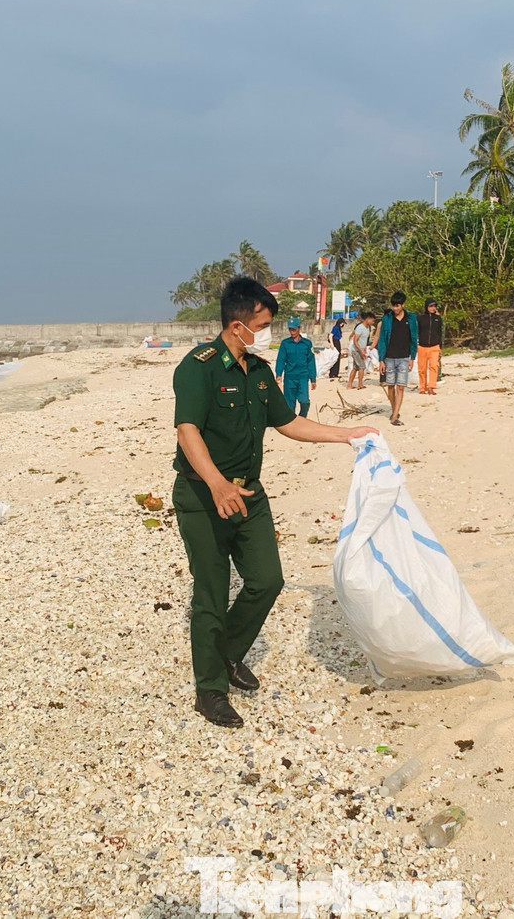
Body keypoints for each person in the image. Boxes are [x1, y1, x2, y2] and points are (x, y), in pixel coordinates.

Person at [173, 277, 378, 728]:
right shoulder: (198, 367)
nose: (268, 331)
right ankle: (209, 691)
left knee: (267, 580)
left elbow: (289, 423)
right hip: (202, 497)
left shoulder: (260, 372)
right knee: (210, 593)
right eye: (263, 324)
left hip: (249, 493)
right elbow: (187, 431)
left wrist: (346, 434)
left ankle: (226, 653)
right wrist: (217, 484)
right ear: (236, 325)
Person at [376, 291, 418, 426]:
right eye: (393, 306)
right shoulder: (387, 319)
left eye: (397, 306)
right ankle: (394, 409)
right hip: (389, 357)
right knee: (390, 387)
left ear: (403, 305)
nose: (395, 308)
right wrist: (381, 359)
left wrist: (412, 357)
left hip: (404, 358)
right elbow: (382, 339)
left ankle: (394, 416)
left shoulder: (411, 319)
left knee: (400, 387)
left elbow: (414, 338)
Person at [274, 317, 317, 418]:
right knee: (289, 405)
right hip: (290, 377)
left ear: (299, 328)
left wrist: (313, 379)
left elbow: (311, 361)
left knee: (305, 402)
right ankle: (292, 423)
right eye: (290, 329)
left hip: (303, 377)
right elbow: (281, 359)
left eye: (294, 329)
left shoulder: (307, 344)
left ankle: (302, 418)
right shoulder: (285, 343)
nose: (292, 332)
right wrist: (278, 374)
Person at [416, 298, 444, 395]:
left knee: (434, 367)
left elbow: (440, 333)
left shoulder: (438, 319)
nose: (433, 308)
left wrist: (440, 347)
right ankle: (422, 387)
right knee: (422, 368)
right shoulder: (420, 318)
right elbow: (417, 332)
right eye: (430, 306)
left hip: (434, 346)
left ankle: (431, 386)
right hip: (422, 346)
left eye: (434, 306)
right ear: (426, 307)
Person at [348, 311, 375, 390]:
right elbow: (355, 340)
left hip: (361, 350)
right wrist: (361, 350)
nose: (372, 322)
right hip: (356, 350)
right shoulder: (360, 327)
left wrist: (364, 350)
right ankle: (360, 384)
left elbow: (364, 341)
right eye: (372, 320)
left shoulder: (367, 328)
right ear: (367, 319)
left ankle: (349, 384)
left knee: (355, 367)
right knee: (362, 367)